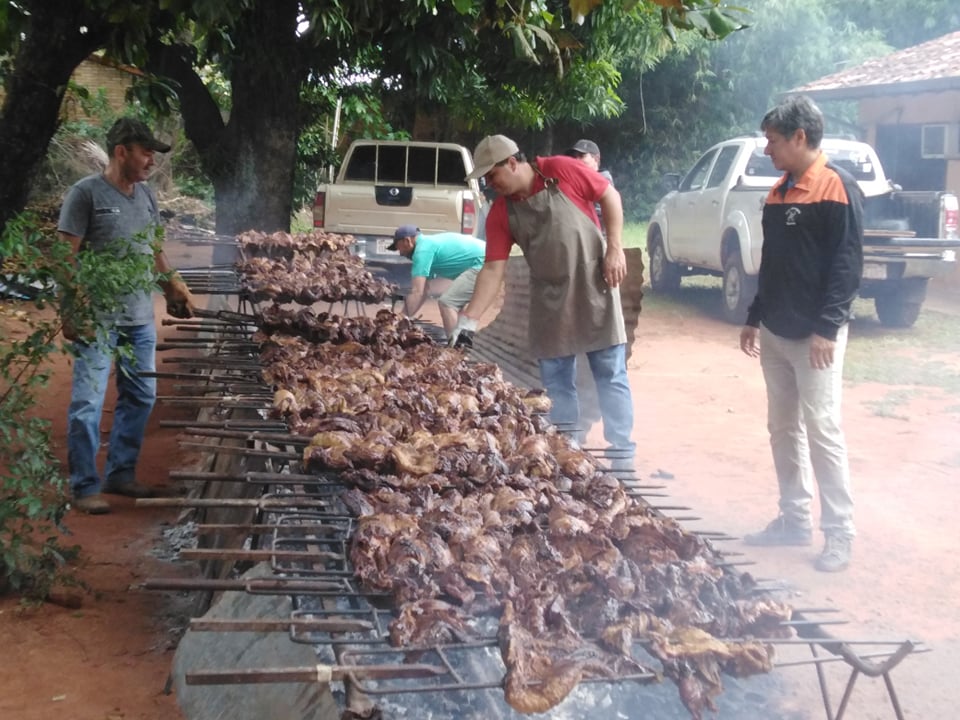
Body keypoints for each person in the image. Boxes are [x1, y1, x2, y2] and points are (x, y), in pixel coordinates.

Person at [453, 135, 636, 467]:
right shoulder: (501, 212)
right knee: (556, 380)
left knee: (609, 372)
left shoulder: (561, 169)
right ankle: (568, 448)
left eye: (492, 175)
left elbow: (610, 195)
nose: (490, 184)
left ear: (512, 162)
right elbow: (493, 269)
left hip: (594, 283)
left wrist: (615, 247)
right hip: (549, 295)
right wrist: (468, 320)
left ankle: (622, 453)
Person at [739, 95, 863, 572]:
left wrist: (828, 328)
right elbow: (772, 262)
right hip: (776, 331)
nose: (767, 149)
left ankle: (839, 532)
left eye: (772, 141)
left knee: (822, 428)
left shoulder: (837, 187)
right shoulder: (778, 191)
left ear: (799, 136)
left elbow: (847, 266)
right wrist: (754, 315)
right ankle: (793, 520)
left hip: (815, 337)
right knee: (783, 428)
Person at [58, 117, 197, 514]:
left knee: (141, 395)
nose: (152, 161)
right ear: (122, 152)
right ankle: (85, 486)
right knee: (88, 403)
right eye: (146, 152)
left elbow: (153, 249)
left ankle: (120, 473)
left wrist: (172, 286)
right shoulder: (85, 194)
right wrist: (71, 309)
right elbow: (64, 256)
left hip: (138, 319)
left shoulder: (146, 197)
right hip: (97, 319)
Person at [388, 225, 486, 336]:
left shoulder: (422, 251)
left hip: (483, 262)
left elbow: (417, 292)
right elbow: (423, 291)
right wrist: (404, 317)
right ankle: (461, 340)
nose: (400, 253)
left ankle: (456, 344)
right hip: (486, 259)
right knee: (455, 305)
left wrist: (401, 317)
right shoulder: (427, 245)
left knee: (447, 303)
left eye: (399, 248)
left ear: (407, 241)